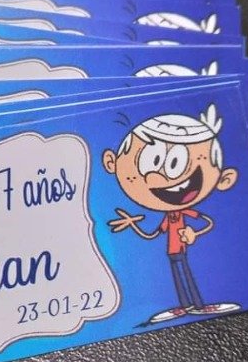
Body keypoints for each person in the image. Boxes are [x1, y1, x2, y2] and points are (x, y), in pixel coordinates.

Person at [103, 103, 240, 324]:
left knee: (187, 274)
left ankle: (198, 304)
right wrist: (132, 224)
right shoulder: (169, 217)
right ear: (111, 163)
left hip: (182, 249)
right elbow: (152, 234)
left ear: (224, 179)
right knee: (177, 276)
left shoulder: (184, 210)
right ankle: (186, 306)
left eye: (174, 164)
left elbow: (206, 221)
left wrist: (194, 234)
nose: (155, 178)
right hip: (172, 252)